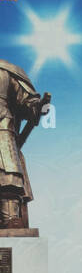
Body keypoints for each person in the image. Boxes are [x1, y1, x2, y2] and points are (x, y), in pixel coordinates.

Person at [0, 59, 46, 230]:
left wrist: (35, 106)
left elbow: (26, 101)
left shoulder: (6, 70)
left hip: (2, 130)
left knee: (7, 180)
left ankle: (10, 220)